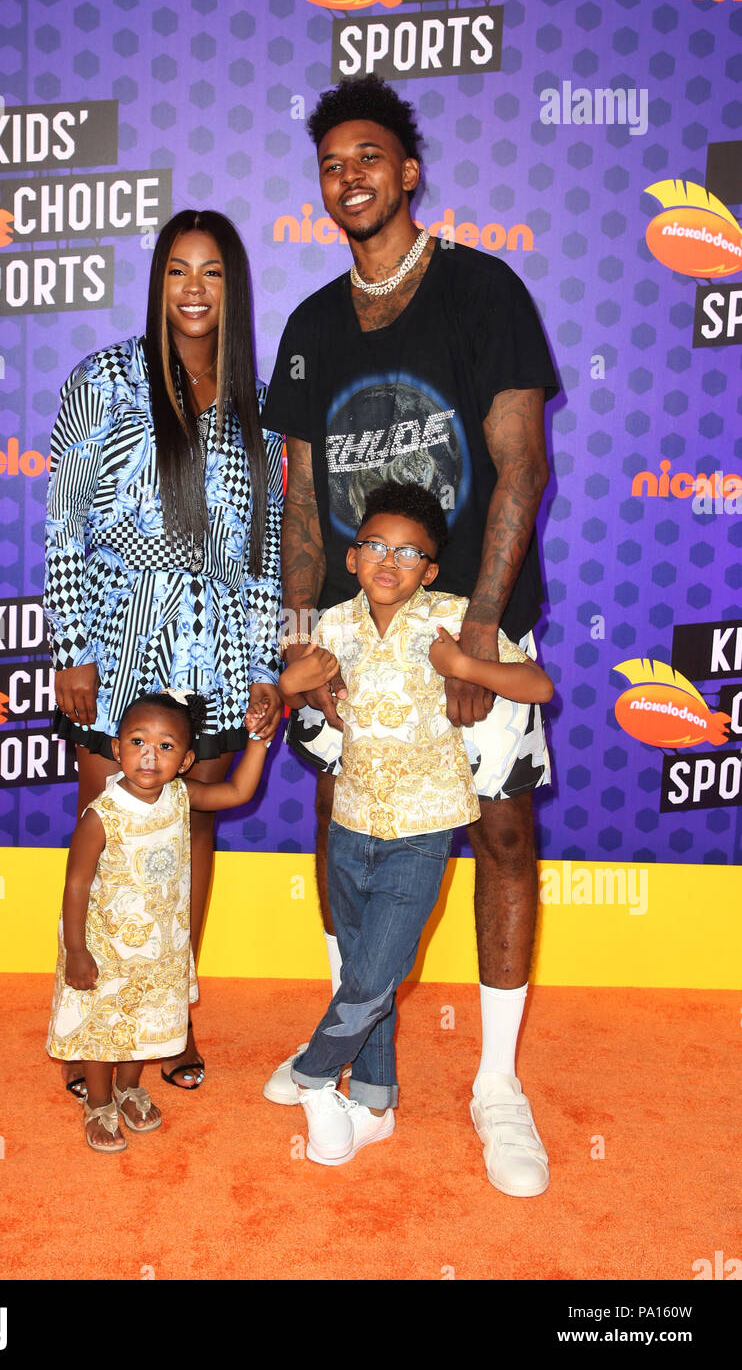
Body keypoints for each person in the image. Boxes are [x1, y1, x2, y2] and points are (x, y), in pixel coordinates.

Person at [261, 76, 559, 1197]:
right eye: (332, 162)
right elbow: (296, 505)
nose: (351, 177)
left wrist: (479, 635)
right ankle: (358, 1074)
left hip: (471, 634)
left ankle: (494, 1083)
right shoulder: (307, 327)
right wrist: (301, 648)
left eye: (370, 156)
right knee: (349, 837)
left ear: (409, 169)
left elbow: (521, 462)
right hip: (351, 645)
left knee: (503, 838)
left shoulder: (483, 290)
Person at [44, 211, 283, 1096]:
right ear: (157, 283)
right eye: (177, 270)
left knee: (186, 845)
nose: (192, 289)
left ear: (233, 287)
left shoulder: (255, 401)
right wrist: (72, 648)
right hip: (117, 638)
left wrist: (262, 666)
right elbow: (67, 522)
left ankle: (167, 1020)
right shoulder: (104, 378)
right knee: (108, 846)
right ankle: (94, 1026)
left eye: (212, 272)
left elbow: (262, 555)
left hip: (216, 651)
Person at [278, 484, 553, 1173]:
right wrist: (291, 681)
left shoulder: (454, 620)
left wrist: (464, 666)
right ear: (352, 556)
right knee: (367, 967)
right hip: (350, 827)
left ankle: (313, 1074)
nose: (390, 561)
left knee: (379, 971)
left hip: (423, 832)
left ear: (431, 569)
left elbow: (538, 687)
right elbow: (285, 681)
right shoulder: (332, 625)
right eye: (375, 546)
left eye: (410, 552)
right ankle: (372, 1105)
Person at [47, 691, 271, 1151]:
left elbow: (237, 792)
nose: (149, 755)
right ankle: (100, 1101)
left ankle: (129, 1087)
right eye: (137, 741)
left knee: (145, 1022)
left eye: (166, 746)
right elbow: (75, 887)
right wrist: (76, 950)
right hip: (104, 948)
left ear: (187, 760)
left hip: (159, 946)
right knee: (104, 1026)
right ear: (116, 749)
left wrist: (257, 741)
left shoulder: (181, 798)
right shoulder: (101, 816)